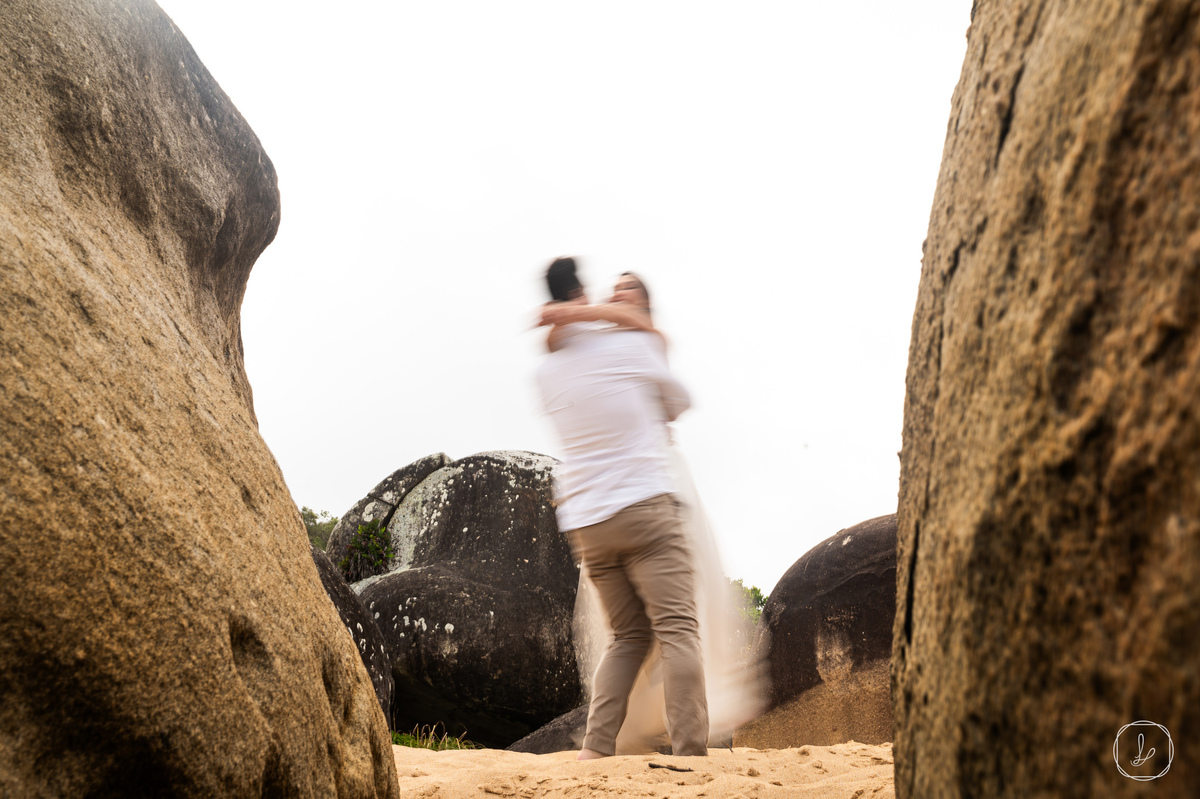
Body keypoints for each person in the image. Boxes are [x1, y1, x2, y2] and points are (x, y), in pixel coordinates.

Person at [540, 262, 770, 755]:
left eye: (626, 291)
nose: (615, 297)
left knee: (627, 637)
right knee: (678, 629)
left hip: (589, 522)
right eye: (610, 291)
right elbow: (678, 399)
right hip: (645, 505)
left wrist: (569, 315)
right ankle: (690, 752)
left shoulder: (551, 369)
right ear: (583, 295)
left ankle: (596, 747)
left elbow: (560, 342)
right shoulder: (630, 348)